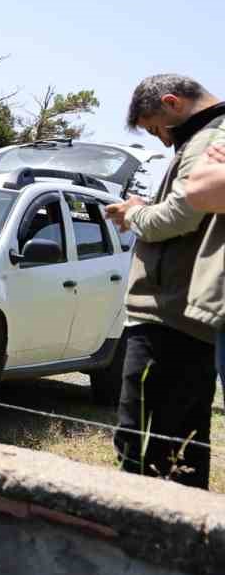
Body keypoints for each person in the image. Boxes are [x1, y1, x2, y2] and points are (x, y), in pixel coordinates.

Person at [104, 74, 225, 488]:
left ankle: (133, 537)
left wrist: (133, 216)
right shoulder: (205, 137)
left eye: (157, 129)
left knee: (143, 441)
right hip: (184, 314)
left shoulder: (210, 137)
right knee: (181, 445)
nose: (161, 141)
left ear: (172, 103)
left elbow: (182, 213)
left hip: (169, 314)